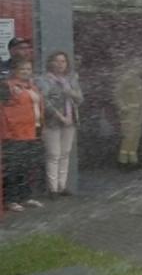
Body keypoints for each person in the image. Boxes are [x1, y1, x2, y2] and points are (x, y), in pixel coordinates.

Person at [1, 59, 44, 211]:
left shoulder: (31, 86)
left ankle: (25, 197)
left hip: (31, 132)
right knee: (13, 168)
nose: (26, 71)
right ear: (14, 71)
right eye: (22, 69)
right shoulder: (8, 86)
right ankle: (11, 199)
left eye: (28, 68)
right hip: (15, 134)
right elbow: (5, 110)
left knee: (26, 167)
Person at [38, 51, 82, 197]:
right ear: (50, 63)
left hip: (70, 121)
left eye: (63, 61)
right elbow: (44, 101)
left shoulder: (70, 79)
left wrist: (70, 92)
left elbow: (80, 99)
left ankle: (62, 186)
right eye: (57, 61)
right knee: (53, 154)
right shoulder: (44, 80)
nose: (60, 64)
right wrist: (60, 116)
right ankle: (53, 188)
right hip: (53, 122)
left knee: (65, 153)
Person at [113, 64, 142, 167]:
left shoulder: (138, 80)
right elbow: (117, 95)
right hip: (128, 114)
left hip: (138, 113)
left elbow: (141, 99)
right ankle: (122, 161)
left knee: (136, 137)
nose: (140, 69)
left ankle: (133, 160)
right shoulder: (124, 79)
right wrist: (123, 107)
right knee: (128, 137)